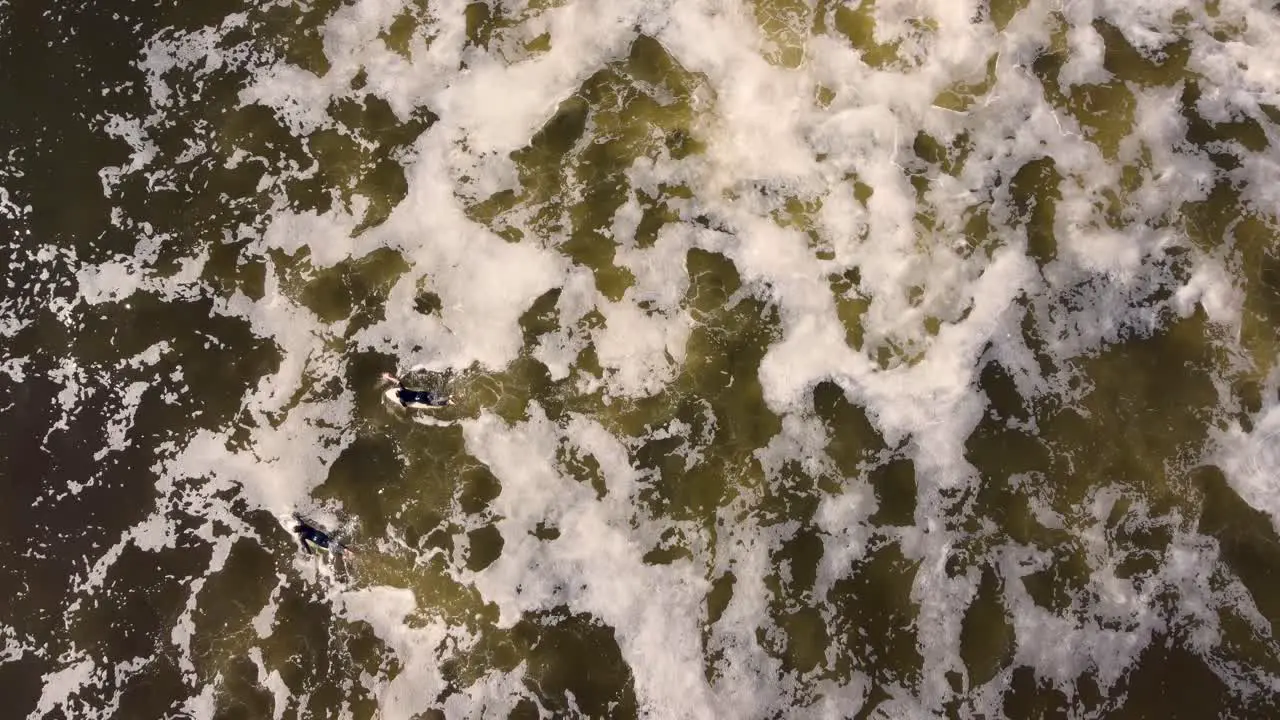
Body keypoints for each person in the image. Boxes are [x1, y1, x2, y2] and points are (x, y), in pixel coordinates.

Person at [381, 372, 451, 407]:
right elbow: (398, 381)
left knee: (433, 403)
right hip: (421, 393)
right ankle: (448, 395)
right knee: (433, 394)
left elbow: (406, 407)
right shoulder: (402, 389)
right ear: (399, 390)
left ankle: (447, 402)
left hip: (419, 399)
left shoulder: (401, 400)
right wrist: (389, 377)